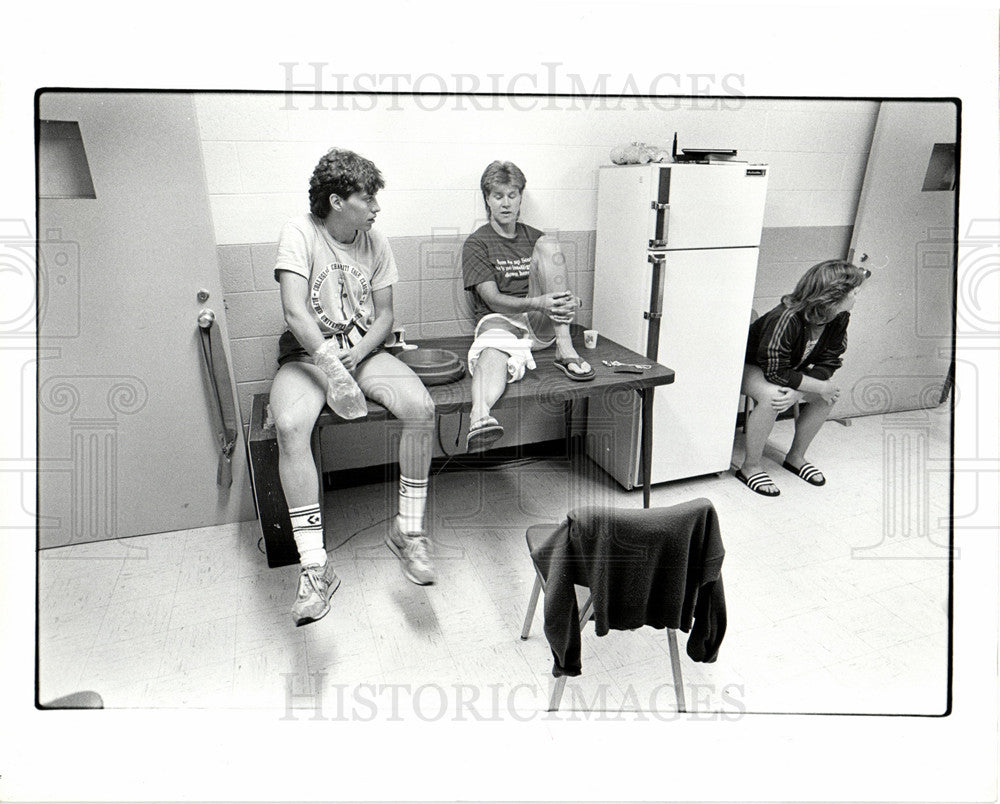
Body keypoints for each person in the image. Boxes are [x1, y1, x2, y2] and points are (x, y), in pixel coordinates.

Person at [271, 148, 437, 626]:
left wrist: (358, 354)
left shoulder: (374, 241)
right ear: (337, 200)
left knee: (421, 408)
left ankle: (407, 532)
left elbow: (384, 316)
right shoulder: (300, 232)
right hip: (309, 356)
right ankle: (314, 567)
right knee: (288, 426)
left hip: (357, 352)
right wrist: (329, 362)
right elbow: (294, 312)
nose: (376, 208)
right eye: (369, 199)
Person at [461, 160, 593, 452]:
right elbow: (492, 299)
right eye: (498, 196)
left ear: (521, 196)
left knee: (549, 243)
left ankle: (564, 348)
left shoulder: (535, 237)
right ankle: (480, 414)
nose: (506, 203)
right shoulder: (477, 243)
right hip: (501, 318)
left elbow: (555, 289)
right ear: (487, 199)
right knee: (493, 347)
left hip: (541, 323)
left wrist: (568, 300)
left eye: (512, 195)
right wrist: (540, 302)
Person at [735, 259, 870, 497]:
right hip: (748, 366)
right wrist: (812, 386)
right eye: (855, 293)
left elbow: (831, 360)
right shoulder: (787, 316)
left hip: (786, 370)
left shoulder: (839, 316)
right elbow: (774, 371)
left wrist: (804, 390)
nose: (857, 298)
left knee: (828, 396)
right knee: (773, 397)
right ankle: (750, 467)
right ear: (835, 295)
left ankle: (796, 457)